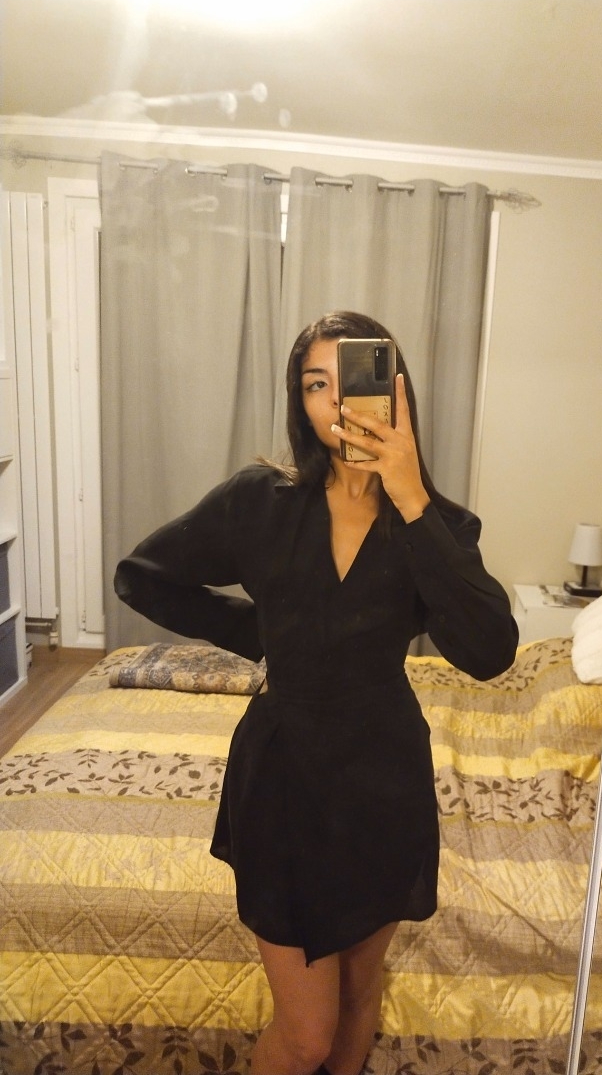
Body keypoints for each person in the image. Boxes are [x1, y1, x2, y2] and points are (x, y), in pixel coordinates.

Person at [114, 310, 518, 1075]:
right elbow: (143, 576)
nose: (336, 403)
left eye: (351, 382)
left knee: (360, 999)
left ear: (394, 393)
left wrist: (411, 497)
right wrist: (261, 633)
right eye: (314, 384)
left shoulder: (435, 524)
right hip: (284, 776)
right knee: (306, 1035)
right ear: (298, 403)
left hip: (384, 780)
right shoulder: (260, 502)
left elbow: (490, 652)